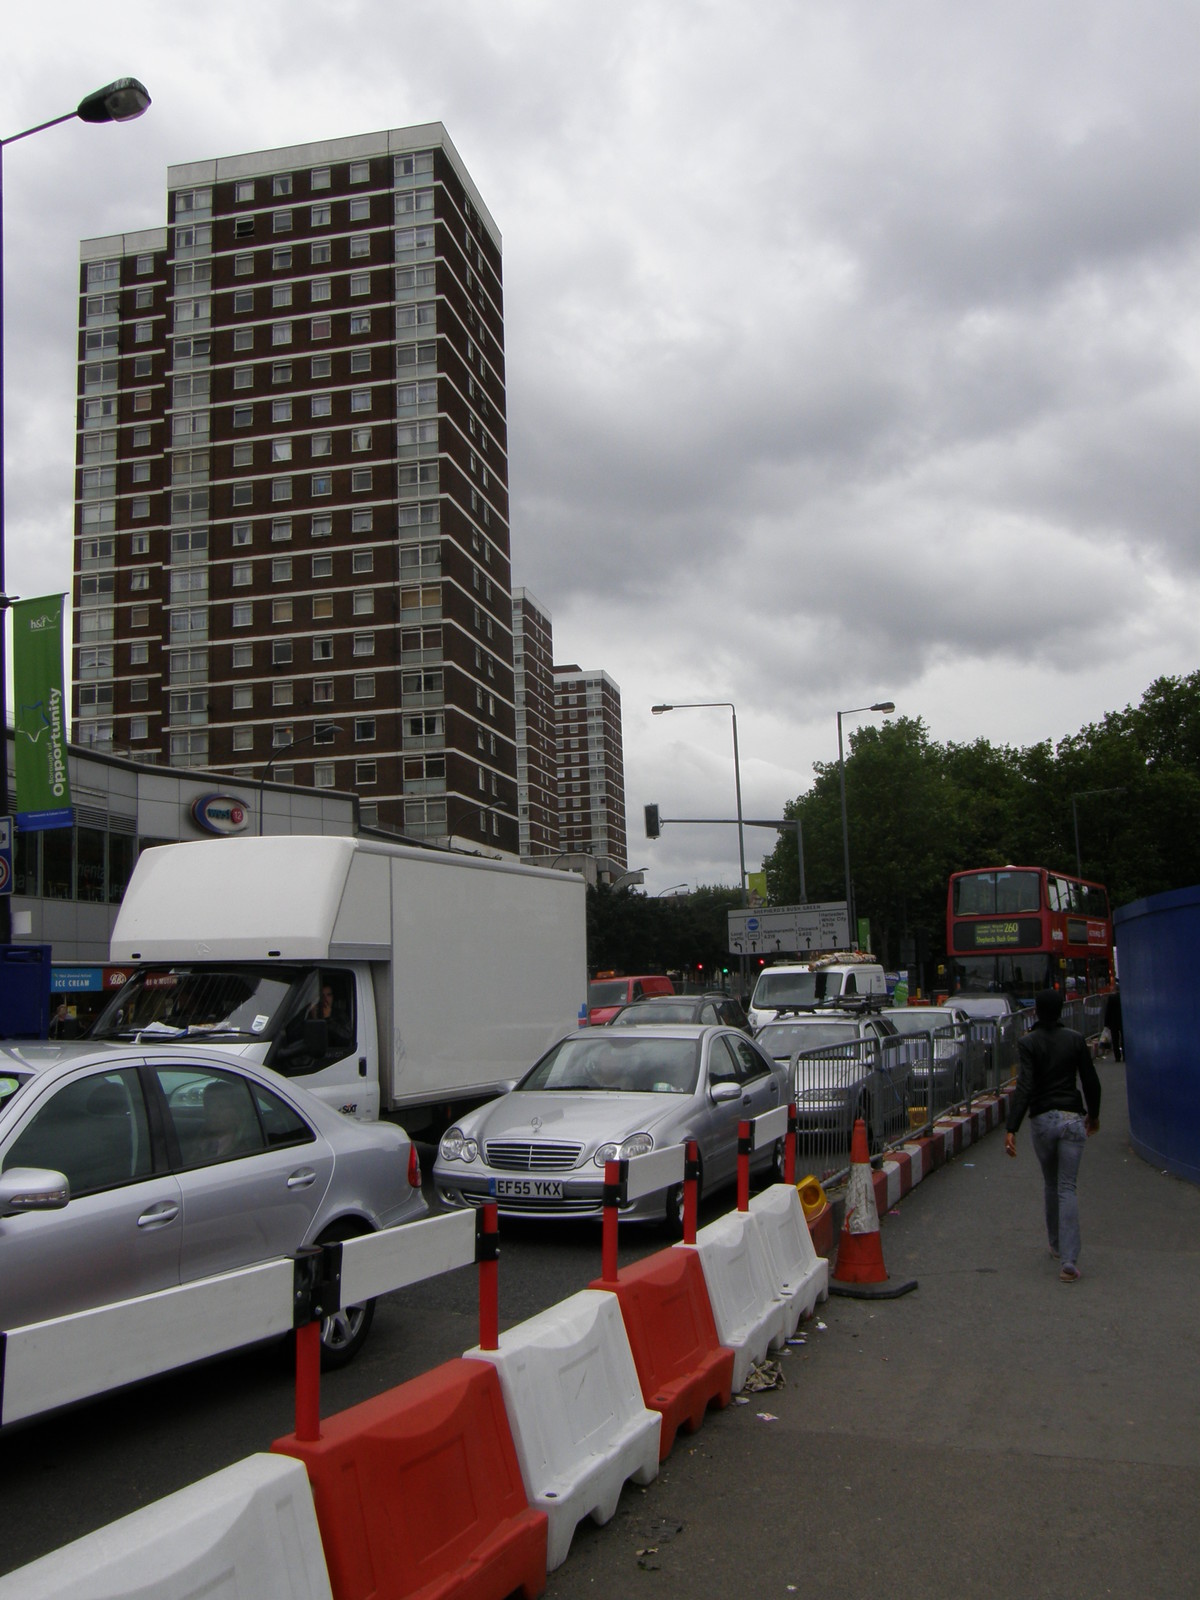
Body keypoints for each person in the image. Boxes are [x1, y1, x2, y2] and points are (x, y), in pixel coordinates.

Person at [1004, 989, 1101, 1282]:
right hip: (1072, 1119)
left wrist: (1012, 1127)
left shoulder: (1028, 1042)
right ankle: (1069, 1262)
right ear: (1062, 1011)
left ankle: (1056, 1244)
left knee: (1051, 1181)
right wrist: (1093, 1116)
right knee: (1067, 1187)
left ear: (1036, 1012)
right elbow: (1090, 1080)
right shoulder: (1074, 1040)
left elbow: (1026, 1086)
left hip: (1042, 1121)